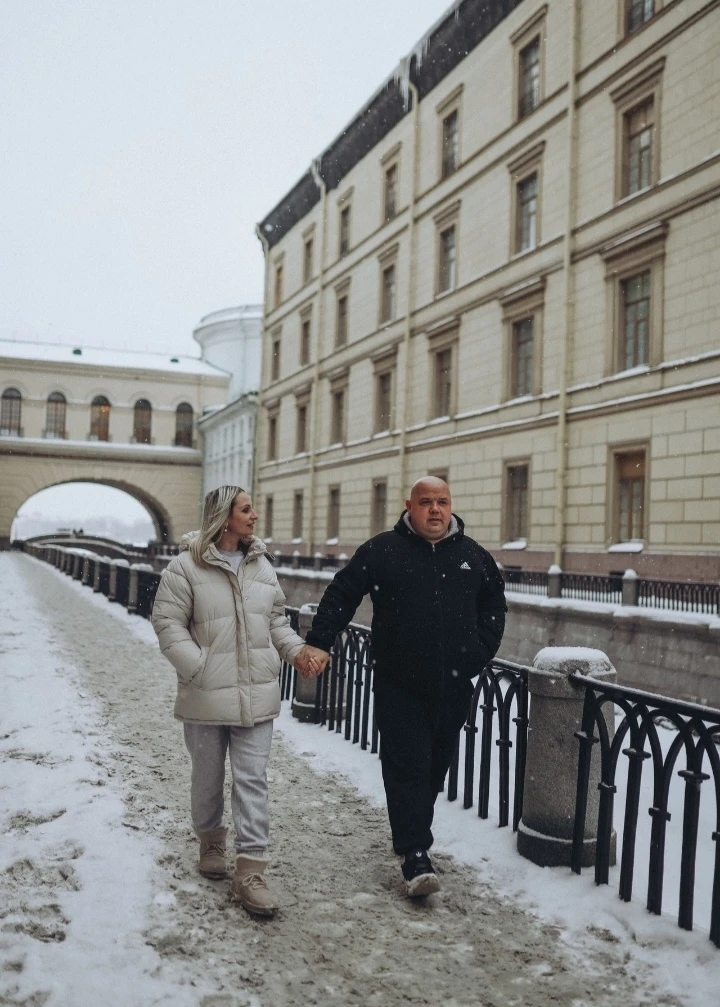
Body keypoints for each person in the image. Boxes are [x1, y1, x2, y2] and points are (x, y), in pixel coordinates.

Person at [303, 477, 507, 897]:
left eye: (443, 502)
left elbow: (494, 603)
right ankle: (416, 853)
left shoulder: (473, 557)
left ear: (451, 507)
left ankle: (411, 833)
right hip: (399, 682)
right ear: (409, 506)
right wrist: (320, 641)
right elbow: (343, 593)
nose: (435, 510)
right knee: (407, 764)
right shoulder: (382, 551)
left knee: (435, 765)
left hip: (453, 684)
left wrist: (480, 651)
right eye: (426, 502)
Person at [151, 485, 319, 916]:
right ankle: (210, 842)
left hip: (256, 693)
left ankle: (250, 871)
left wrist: (296, 651)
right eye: (246, 509)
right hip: (207, 694)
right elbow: (167, 624)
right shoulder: (184, 566)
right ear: (225, 517)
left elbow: (276, 620)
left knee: (252, 780)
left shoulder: (261, 566)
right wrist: (199, 668)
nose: (254, 515)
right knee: (206, 776)